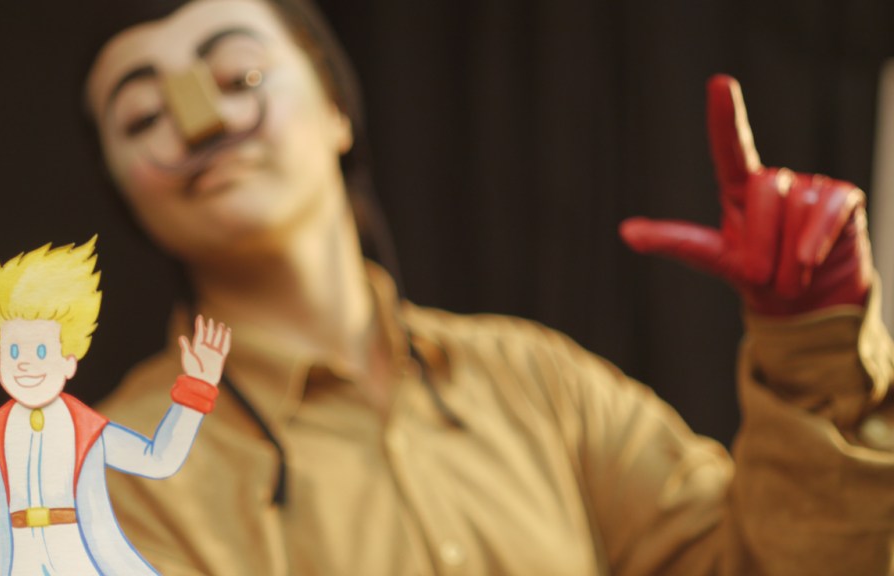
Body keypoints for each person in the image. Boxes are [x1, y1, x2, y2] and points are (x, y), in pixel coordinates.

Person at [85, 0, 894, 574]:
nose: (200, 122)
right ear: (125, 198)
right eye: (142, 117)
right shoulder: (117, 480)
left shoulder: (535, 380)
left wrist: (811, 348)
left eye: (242, 75)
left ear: (336, 108)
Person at [0, 238, 231, 576]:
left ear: (69, 361)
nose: (25, 363)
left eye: (41, 351)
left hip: (80, 559)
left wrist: (197, 390)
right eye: (14, 351)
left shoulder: (89, 433)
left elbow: (157, 459)